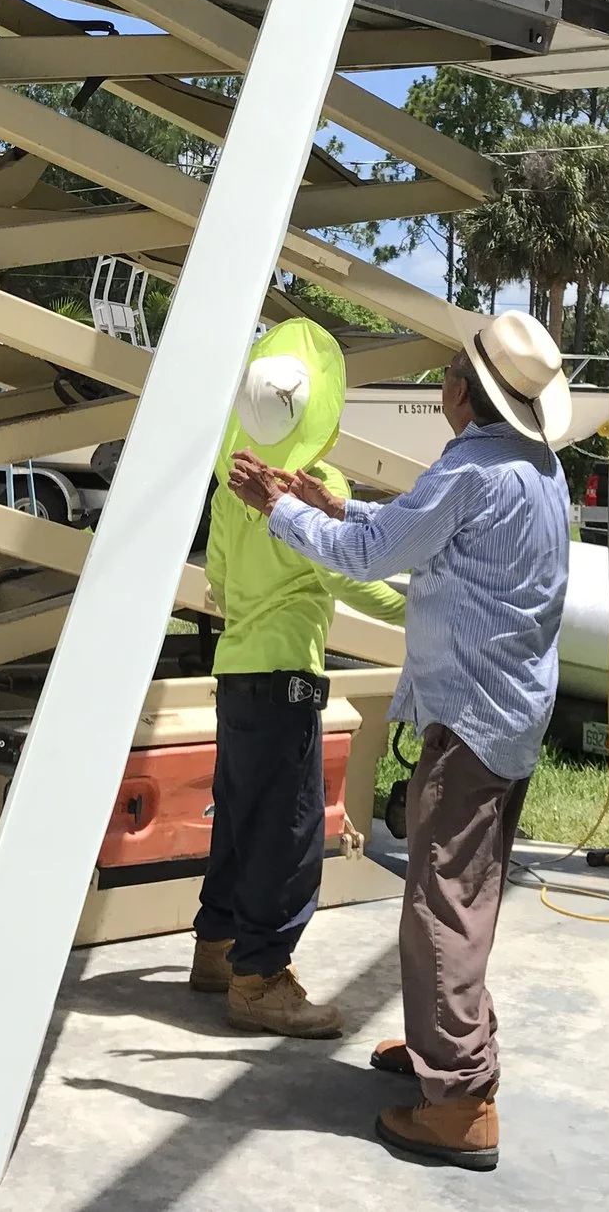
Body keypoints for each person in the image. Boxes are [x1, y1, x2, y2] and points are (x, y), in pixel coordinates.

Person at [226, 312, 574, 1174]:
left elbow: (377, 554)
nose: (443, 385)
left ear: (466, 391)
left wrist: (280, 508)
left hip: (469, 719)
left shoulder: (469, 469)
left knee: (440, 906)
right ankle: (450, 1051)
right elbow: (417, 533)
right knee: (468, 895)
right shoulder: (536, 469)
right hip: (511, 713)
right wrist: (331, 503)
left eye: (451, 373)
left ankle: (456, 1098)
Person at [192, 321, 406, 1038]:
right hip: (288, 673)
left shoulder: (233, 485)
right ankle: (260, 981)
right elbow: (353, 573)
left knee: (238, 818)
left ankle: (217, 950)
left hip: (236, 671)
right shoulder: (320, 484)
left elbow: (218, 579)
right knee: (288, 833)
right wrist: (423, 604)